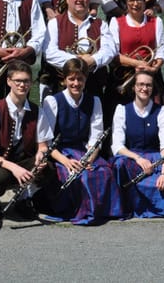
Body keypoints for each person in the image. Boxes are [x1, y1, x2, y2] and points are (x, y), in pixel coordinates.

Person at [41, 58, 123, 225]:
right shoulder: (52, 101)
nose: (76, 83)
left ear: (86, 79)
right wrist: (66, 161)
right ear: (64, 80)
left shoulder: (94, 101)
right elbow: (46, 141)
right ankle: (79, 211)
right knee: (78, 176)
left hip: (85, 151)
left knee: (104, 171)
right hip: (60, 153)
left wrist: (89, 159)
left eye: (80, 79)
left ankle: (101, 211)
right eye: (71, 79)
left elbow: (96, 135)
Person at [0, 61, 54, 220]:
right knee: (1, 178)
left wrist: (41, 155)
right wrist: (14, 168)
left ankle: (25, 197)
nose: (22, 85)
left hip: (23, 160)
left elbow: (43, 146)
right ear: (9, 81)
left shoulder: (37, 111)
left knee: (47, 168)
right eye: (18, 80)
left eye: (26, 81)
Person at [111, 71, 164, 221]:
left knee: (161, 184)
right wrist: (138, 158)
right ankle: (125, 206)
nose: (144, 88)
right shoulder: (122, 110)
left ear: (153, 88)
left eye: (148, 85)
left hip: (156, 158)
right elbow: (117, 146)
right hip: (132, 158)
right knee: (119, 164)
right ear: (134, 87)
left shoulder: (162, 111)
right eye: (140, 84)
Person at [107, 0, 164, 122]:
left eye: (139, 0)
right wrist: (137, 64)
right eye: (131, 0)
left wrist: (154, 68)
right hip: (123, 77)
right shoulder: (116, 22)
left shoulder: (156, 21)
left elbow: (161, 50)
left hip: (151, 76)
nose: (135, 4)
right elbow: (113, 54)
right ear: (125, 3)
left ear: (144, 1)